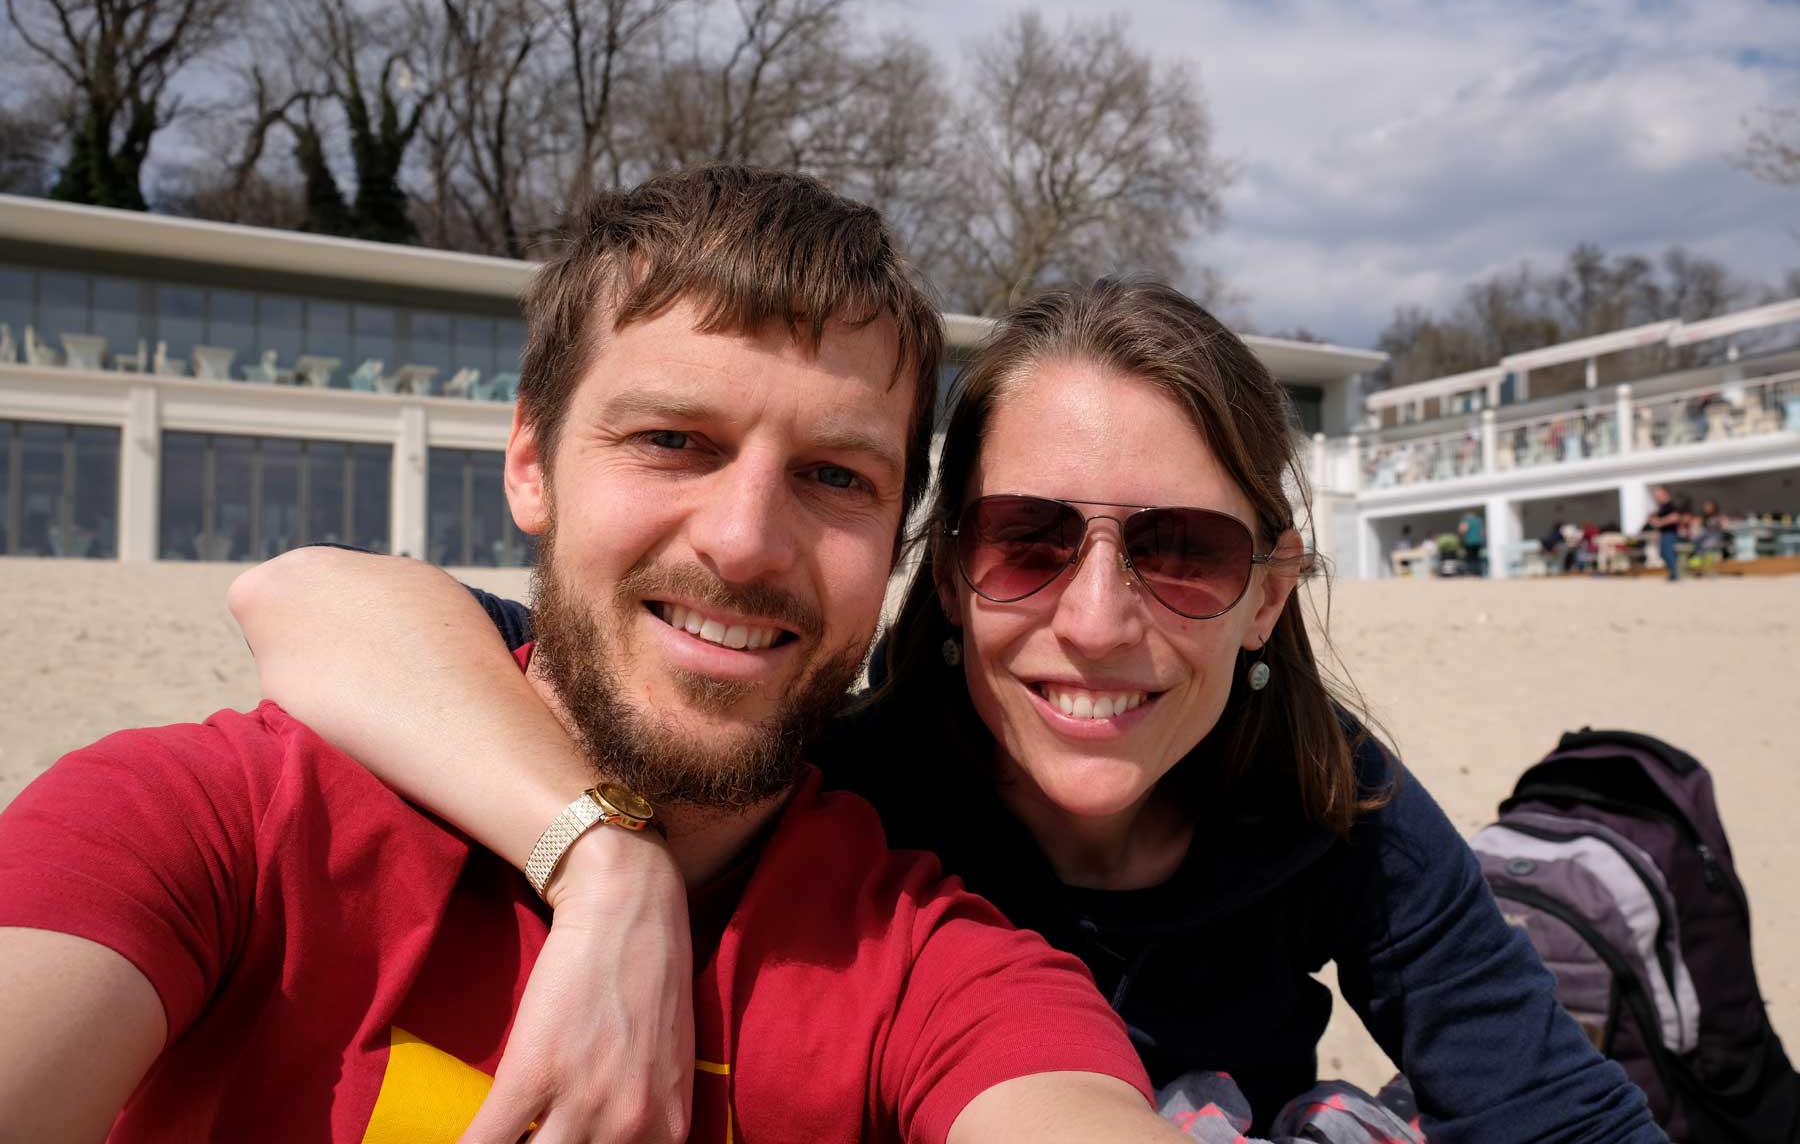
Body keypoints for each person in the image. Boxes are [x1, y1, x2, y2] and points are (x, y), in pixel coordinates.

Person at [236, 280, 1664, 1142]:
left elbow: (1548, 1116)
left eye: (1181, 551)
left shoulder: (1329, 799)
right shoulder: (820, 770)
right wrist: (601, 863)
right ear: (950, 567)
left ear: (1270, 593)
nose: (1098, 620)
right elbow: (309, 595)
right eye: (1029, 538)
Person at [0, 167, 1179, 1144]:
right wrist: (611, 864)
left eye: (836, 476)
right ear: (529, 463)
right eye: (674, 441)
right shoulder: (217, 826)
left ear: (896, 546)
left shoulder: (935, 967)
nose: (746, 541)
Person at [1646, 485, 1684, 581]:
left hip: (1670, 533)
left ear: (1665, 494)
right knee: (1663, 553)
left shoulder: (1670, 505)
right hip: (1664, 534)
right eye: (1656, 496)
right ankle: (1673, 573)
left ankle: (1675, 573)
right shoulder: (1662, 507)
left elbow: (1675, 517)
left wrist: (1660, 522)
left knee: (1668, 553)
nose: (1657, 498)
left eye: (1658, 495)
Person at [1457, 509, 1485, 576]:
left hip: (1469, 542)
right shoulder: (1478, 520)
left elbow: (1462, 530)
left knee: (1470, 557)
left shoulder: (1466, 520)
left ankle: (1471, 572)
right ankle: (1478, 572)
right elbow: (1482, 532)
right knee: (1477, 557)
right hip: (1478, 542)